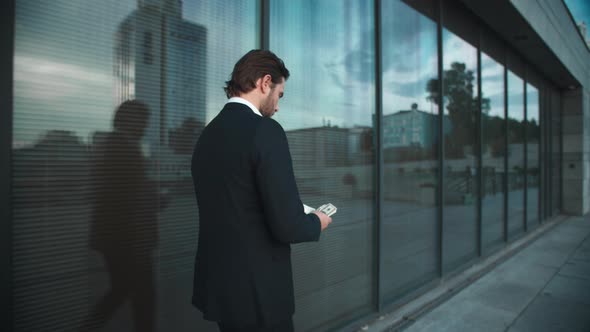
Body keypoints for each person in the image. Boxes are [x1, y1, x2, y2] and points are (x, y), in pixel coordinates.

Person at [191, 49, 332, 332]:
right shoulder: (266, 131)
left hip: (221, 287)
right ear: (265, 82)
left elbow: (237, 201)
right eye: (280, 95)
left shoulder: (207, 135)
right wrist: (317, 220)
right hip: (259, 292)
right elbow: (288, 226)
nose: (278, 106)